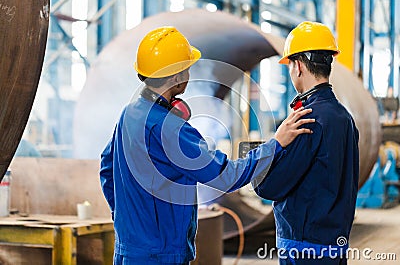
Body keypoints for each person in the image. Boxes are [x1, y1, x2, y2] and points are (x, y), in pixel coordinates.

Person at [100, 26, 315, 265]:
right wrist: (275, 144)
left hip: (127, 250)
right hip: (159, 255)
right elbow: (225, 176)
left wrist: (127, 221)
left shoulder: (129, 114)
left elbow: (107, 169)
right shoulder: (171, 128)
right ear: (177, 77)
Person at [254, 21, 359, 265]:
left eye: (289, 65)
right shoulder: (344, 117)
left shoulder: (306, 119)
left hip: (304, 247)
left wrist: (264, 158)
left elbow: (270, 187)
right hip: (335, 243)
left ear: (298, 66)